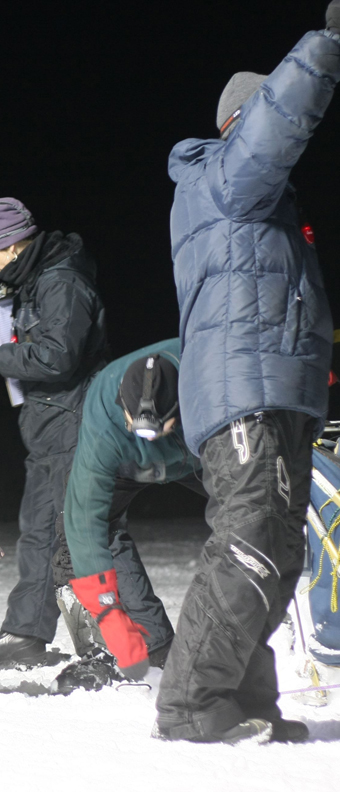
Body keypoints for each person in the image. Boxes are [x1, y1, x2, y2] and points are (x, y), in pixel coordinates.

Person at [155, 4, 340, 744]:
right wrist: (326, 47)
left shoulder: (261, 206)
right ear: (244, 119)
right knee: (250, 540)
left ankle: (246, 698)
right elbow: (276, 125)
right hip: (244, 394)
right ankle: (191, 702)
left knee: (281, 550)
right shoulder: (220, 178)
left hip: (278, 394)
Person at [0, 198, 109, 667]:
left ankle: (109, 649)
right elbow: (42, 346)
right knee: (39, 533)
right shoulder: (34, 282)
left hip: (72, 420)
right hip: (47, 422)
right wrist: (4, 346)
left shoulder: (61, 280)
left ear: (14, 243)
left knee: (75, 538)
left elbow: (58, 357)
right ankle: (25, 632)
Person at [52, 340, 206, 694]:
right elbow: (85, 517)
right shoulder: (105, 412)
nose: (146, 440)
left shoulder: (211, 374)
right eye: (134, 425)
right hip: (126, 462)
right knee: (75, 528)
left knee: (260, 510)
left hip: (198, 451)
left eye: (155, 430)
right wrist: (110, 616)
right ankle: (147, 648)